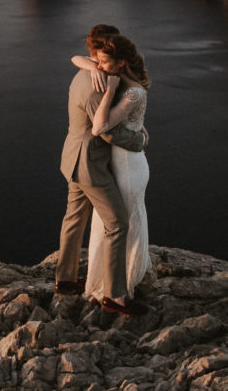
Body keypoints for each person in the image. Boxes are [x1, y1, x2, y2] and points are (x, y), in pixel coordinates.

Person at [55, 24, 150, 316]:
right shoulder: (98, 85)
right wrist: (139, 139)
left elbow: (78, 59)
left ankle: (65, 280)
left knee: (74, 218)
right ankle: (115, 296)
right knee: (117, 223)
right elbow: (106, 131)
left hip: (71, 157)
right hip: (90, 165)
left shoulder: (82, 74)